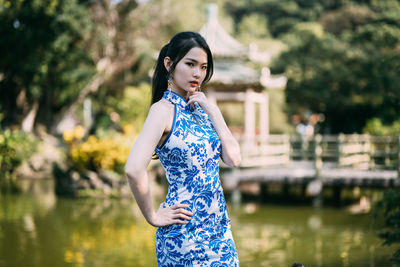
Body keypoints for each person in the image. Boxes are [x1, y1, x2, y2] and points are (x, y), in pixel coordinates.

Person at [125, 31, 241, 266]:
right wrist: (153, 216)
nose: (197, 73)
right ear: (169, 64)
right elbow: (134, 168)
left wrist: (214, 112)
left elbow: (233, 158)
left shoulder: (201, 111)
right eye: (190, 64)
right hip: (185, 234)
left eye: (203, 67)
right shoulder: (163, 110)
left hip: (219, 232)